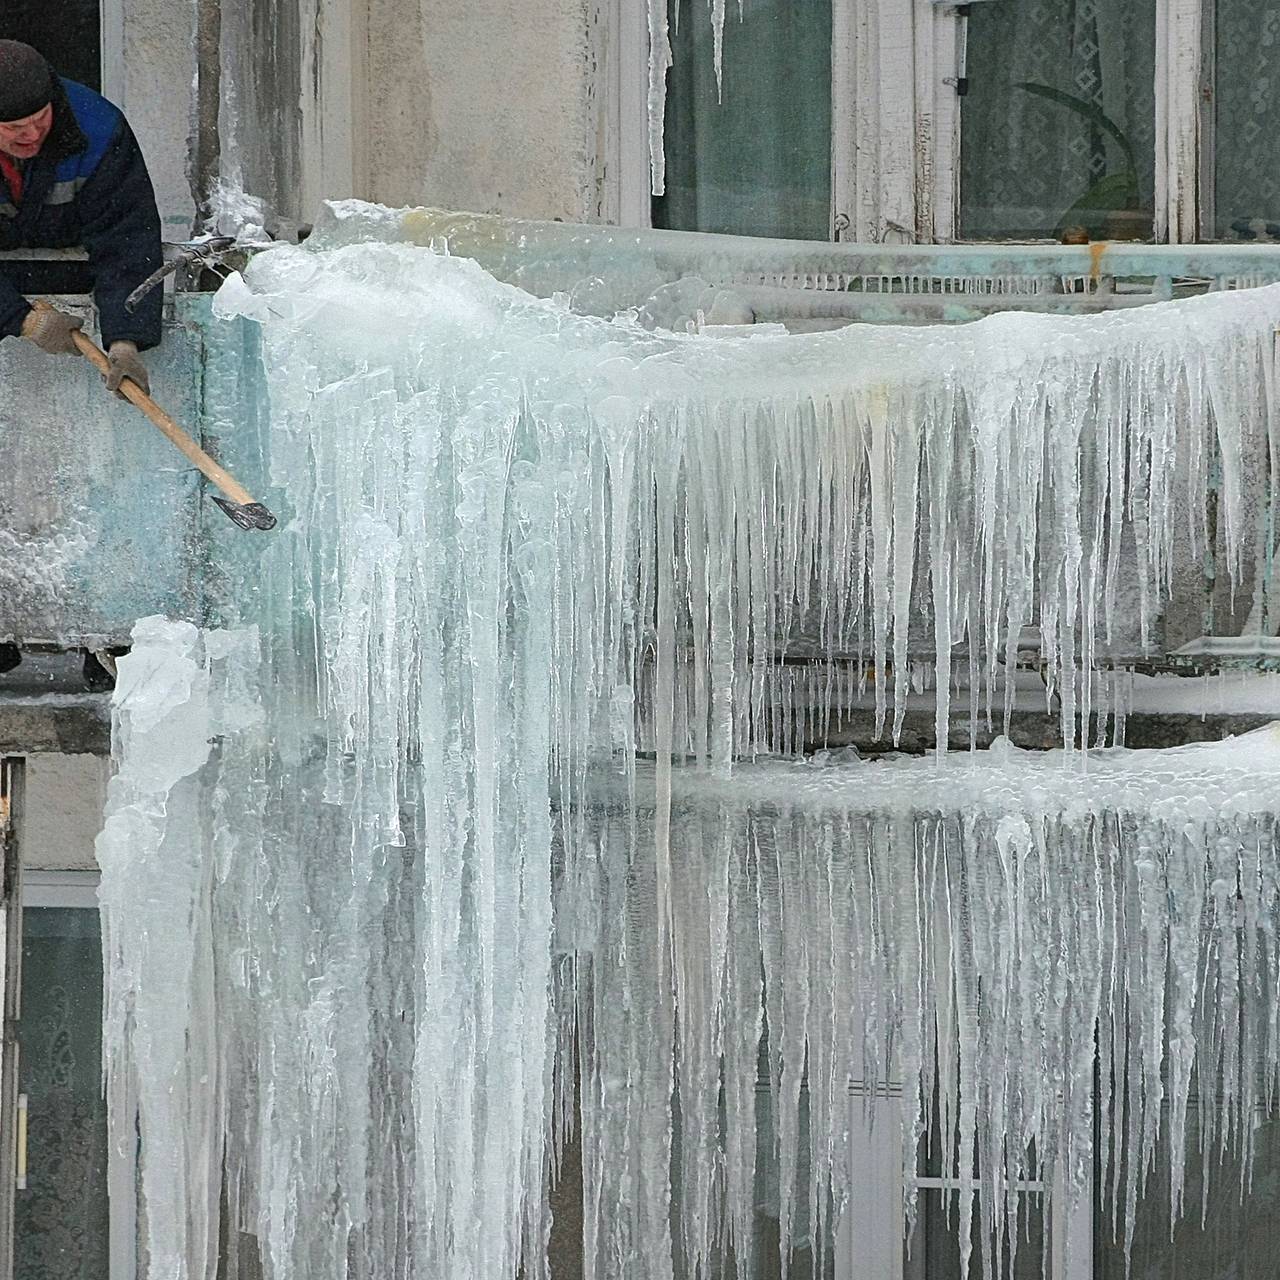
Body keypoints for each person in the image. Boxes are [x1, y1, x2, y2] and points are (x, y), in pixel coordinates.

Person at [0, 39, 162, 395]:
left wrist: (126, 339)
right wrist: (23, 320)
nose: (32, 134)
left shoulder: (98, 128)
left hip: (74, 271)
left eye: (40, 117)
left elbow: (128, 235)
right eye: (14, 127)